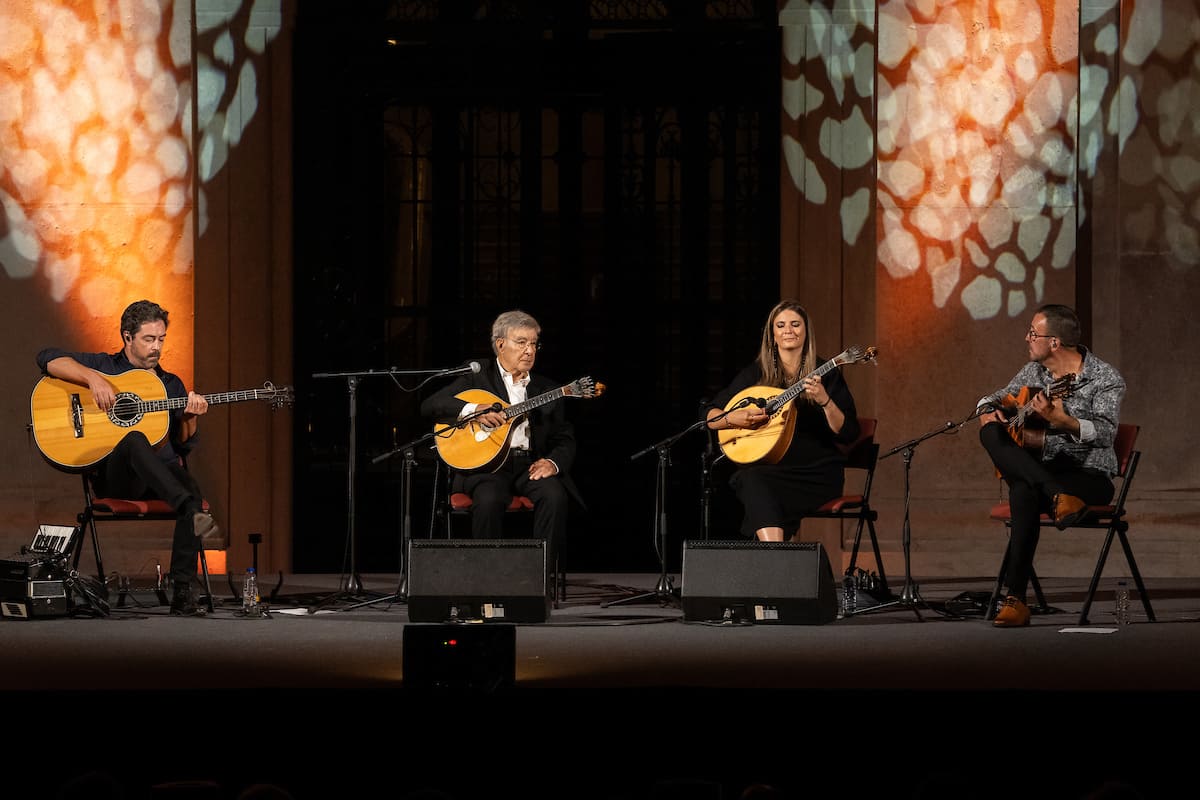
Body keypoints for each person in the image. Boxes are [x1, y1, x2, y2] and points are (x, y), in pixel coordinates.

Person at [36, 299, 219, 616]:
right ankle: (185, 506)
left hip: (159, 481)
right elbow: (46, 358)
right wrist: (93, 379)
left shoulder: (169, 384)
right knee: (134, 438)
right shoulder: (105, 366)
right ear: (127, 337)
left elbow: (183, 448)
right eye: (149, 339)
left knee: (191, 490)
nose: (156, 347)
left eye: (161, 339)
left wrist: (191, 418)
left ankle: (183, 592)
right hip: (118, 479)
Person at [977, 303, 1125, 627]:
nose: (1026, 338)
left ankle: (1014, 599)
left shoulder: (1104, 378)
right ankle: (1056, 494)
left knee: (1021, 490)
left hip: (1089, 477)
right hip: (1052, 476)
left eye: (1033, 333)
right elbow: (996, 396)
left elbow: (1106, 433)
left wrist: (1064, 421)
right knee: (989, 431)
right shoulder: (1035, 373)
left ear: (1054, 342)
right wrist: (988, 408)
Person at [420, 309, 582, 565]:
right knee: (489, 499)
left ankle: (538, 578)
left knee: (554, 495)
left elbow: (565, 438)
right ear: (500, 344)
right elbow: (430, 404)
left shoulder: (547, 389)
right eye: (521, 342)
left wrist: (552, 463)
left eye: (533, 344)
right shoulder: (476, 375)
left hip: (528, 465)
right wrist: (473, 410)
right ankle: (489, 578)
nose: (530, 350)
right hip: (485, 468)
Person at [705, 300, 860, 541]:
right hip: (772, 469)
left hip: (816, 473)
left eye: (795, 324)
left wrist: (825, 400)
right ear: (773, 335)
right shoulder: (757, 373)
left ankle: (774, 562)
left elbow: (849, 432)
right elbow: (710, 415)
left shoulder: (825, 372)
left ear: (805, 331)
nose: (788, 330)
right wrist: (731, 418)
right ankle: (777, 559)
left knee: (756, 485)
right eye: (781, 325)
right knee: (752, 478)